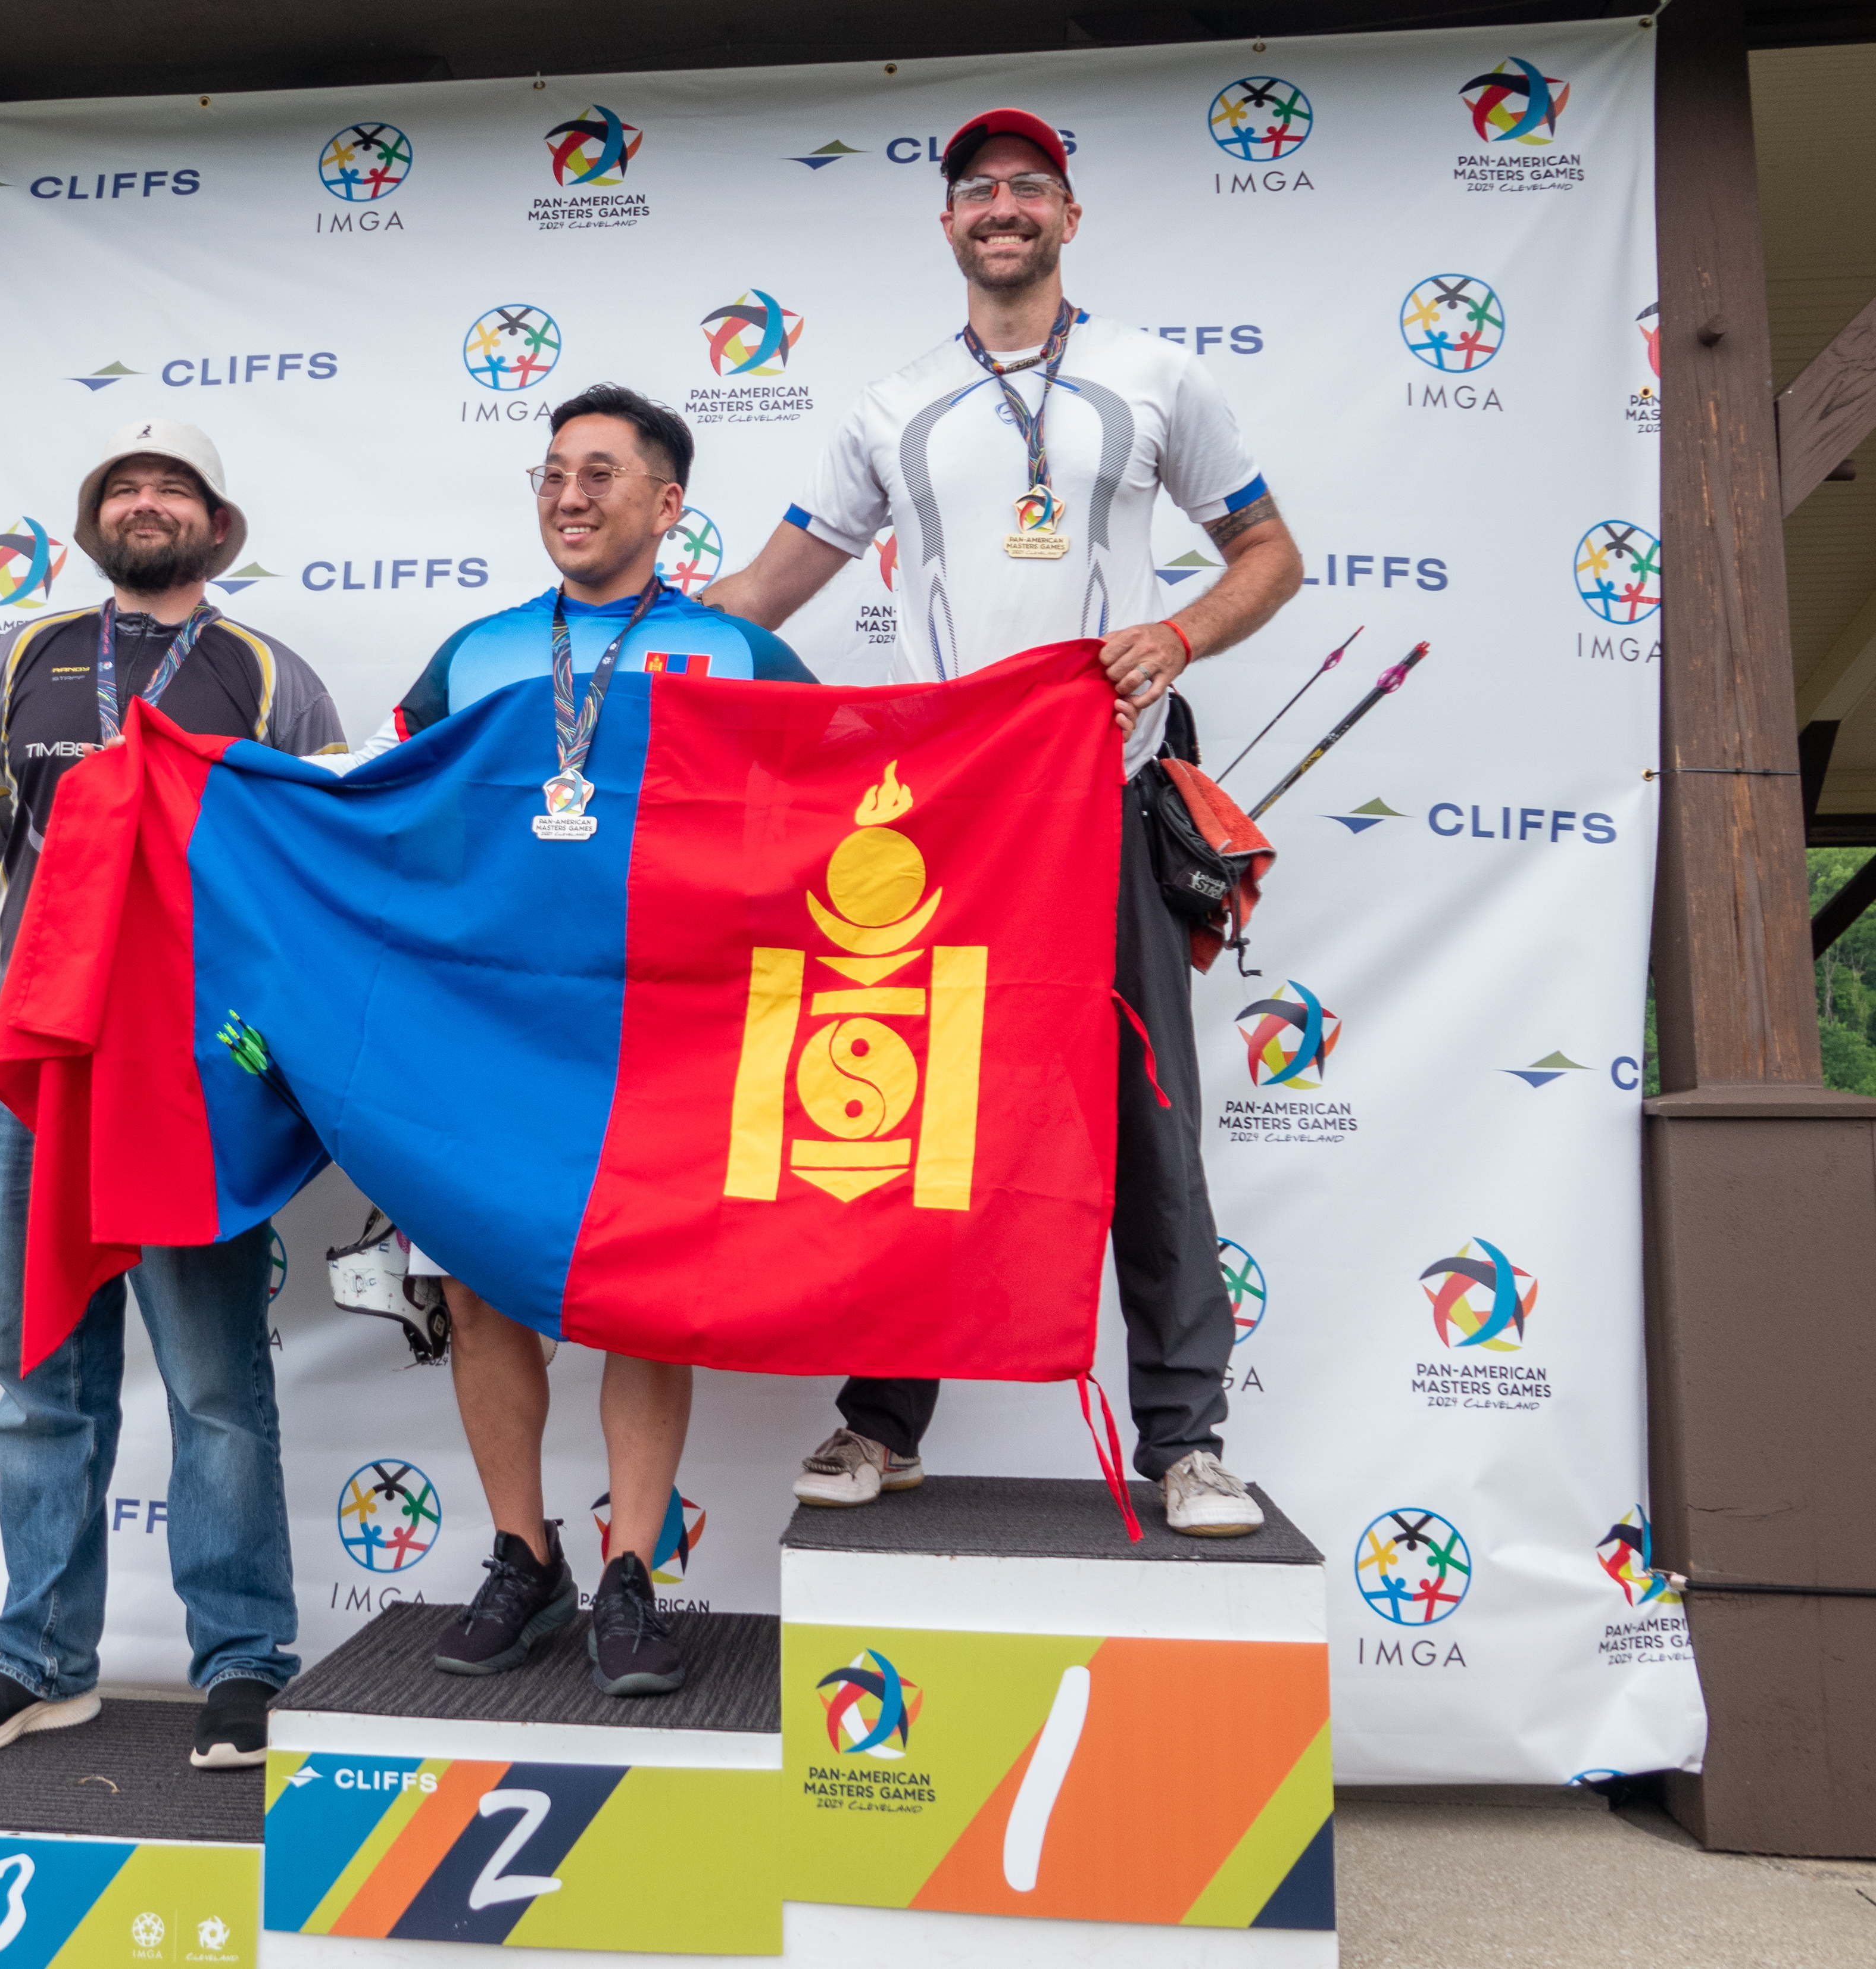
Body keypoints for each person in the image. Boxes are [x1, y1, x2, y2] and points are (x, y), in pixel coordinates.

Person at [701, 108, 1306, 1538]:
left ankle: (1185, 1440)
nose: (1004, 205)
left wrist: (1181, 632)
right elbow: (766, 595)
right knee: (919, 1114)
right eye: (978, 188)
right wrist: (622, 638)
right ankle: (878, 1422)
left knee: (1148, 1127)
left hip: (1102, 795)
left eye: (1030, 185)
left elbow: (1269, 549)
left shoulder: (1154, 376)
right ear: (949, 224)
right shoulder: (891, 404)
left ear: (1068, 217)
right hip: (946, 825)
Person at [363, 383, 816, 1697]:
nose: (569, 494)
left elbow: (841, 806)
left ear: (667, 505)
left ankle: (629, 1573)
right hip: (495, 1030)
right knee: (480, 1284)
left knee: (644, 1295)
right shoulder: (473, 654)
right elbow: (390, 813)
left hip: (669, 1032)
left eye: (601, 474)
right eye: (553, 472)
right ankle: (524, 1557)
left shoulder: (735, 653)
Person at [0, 417, 347, 1768]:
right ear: (94, 516)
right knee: (40, 1370)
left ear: (215, 522)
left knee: (215, 1382)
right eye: (123, 484)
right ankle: (38, 1660)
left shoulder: (271, 676)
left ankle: (241, 1664)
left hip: (188, 1073)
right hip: (42, 1059)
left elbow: (302, 870)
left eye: (172, 486)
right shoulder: (23, 663)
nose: (146, 501)